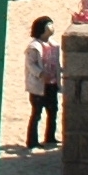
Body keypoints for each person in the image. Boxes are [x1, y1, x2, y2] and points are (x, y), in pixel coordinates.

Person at [24, 17, 62, 149]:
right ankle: (32, 141)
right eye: (48, 25)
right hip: (38, 86)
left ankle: (50, 137)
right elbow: (30, 64)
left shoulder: (54, 45)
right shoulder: (34, 47)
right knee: (37, 113)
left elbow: (56, 63)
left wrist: (58, 74)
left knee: (53, 110)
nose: (51, 27)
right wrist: (40, 73)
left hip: (51, 83)